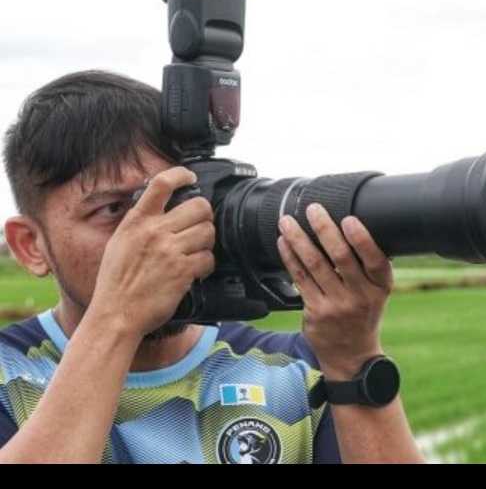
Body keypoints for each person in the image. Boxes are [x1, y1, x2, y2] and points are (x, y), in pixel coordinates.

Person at [0, 71, 423, 463]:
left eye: (175, 199)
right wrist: (117, 319)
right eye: (113, 210)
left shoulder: (291, 370)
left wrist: (354, 359)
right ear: (30, 245)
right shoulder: (11, 374)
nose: (155, 231)